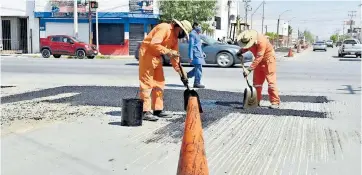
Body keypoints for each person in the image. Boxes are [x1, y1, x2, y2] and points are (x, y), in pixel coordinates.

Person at [138, 19, 192, 121]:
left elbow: (175, 57)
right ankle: (145, 111)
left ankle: (157, 109)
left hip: (157, 57)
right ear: (179, 27)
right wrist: (168, 51)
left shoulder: (175, 39)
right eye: (183, 33)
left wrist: (181, 73)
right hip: (147, 54)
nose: (183, 36)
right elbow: (154, 44)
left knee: (159, 83)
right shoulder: (164, 28)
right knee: (147, 83)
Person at [236, 29, 281, 109]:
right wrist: (240, 51)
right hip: (258, 62)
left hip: (268, 60)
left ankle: (275, 102)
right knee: (257, 83)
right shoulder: (249, 41)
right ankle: (256, 101)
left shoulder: (261, 41)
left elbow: (259, 57)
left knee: (271, 83)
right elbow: (247, 47)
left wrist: (249, 69)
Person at [187, 22, 206, 88]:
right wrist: (190, 56)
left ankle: (186, 76)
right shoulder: (192, 34)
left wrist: (202, 53)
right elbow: (191, 46)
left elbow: (198, 45)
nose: (200, 27)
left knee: (197, 68)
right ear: (195, 26)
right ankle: (196, 83)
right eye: (199, 26)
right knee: (198, 68)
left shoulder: (197, 34)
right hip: (195, 54)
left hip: (199, 53)